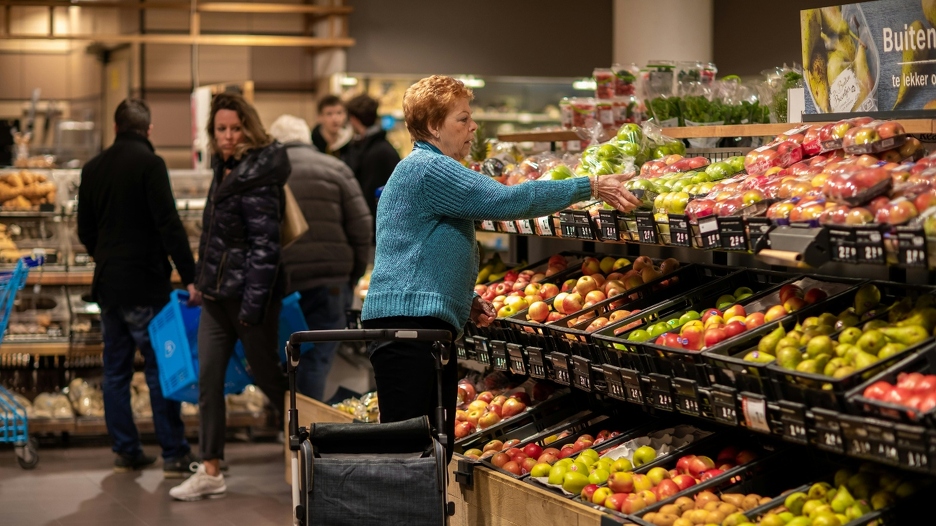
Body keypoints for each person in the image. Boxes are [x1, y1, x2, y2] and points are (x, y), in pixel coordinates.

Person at [361, 75, 640, 459]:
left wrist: (463, 297)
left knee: (425, 448)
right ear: (432, 127)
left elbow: (417, 250)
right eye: (462, 118)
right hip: (408, 330)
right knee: (406, 453)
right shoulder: (428, 168)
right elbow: (507, 201)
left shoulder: (423, 169)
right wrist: (589, 186)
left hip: (414, 324)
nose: (472, 126)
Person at [169, 93, 289, 501]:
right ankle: (210, 469)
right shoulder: (226, 167)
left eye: (235, 128)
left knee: (271, 378)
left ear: (249, 128)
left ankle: (318, 442)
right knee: (209, 380)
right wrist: (201, 282)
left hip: (250, 300)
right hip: (218, 298)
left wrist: (253, 309)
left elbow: (265, 247)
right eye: (220, 129)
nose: (227, 135)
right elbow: (212, 235)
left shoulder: (258, 174)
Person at [77, 99, 199, 477]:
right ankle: (174, 455)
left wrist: (107, 256)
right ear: (148, 130)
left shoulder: (93, 167)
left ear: (116, 128)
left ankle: (126, 450)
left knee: (115, 373)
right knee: (161, 369)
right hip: (147, 286)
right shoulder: (151, 164)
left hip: (109, 287)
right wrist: (190, 275)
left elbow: (85, 229)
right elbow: (169, 225)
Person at [268, 114, 372, 401]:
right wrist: (353, 274)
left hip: (282, 283)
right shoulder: (336, 169)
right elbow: (362, 227)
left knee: (285, 357)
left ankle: (288, 428)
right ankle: (304, 433)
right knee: (317, 359)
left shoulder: (267, 175)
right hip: (331, 281)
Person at [342, 94, 400, 235]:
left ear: (354, 120)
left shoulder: (373, 151)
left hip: (375, 231)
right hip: (383, 228)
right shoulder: (382, 147)